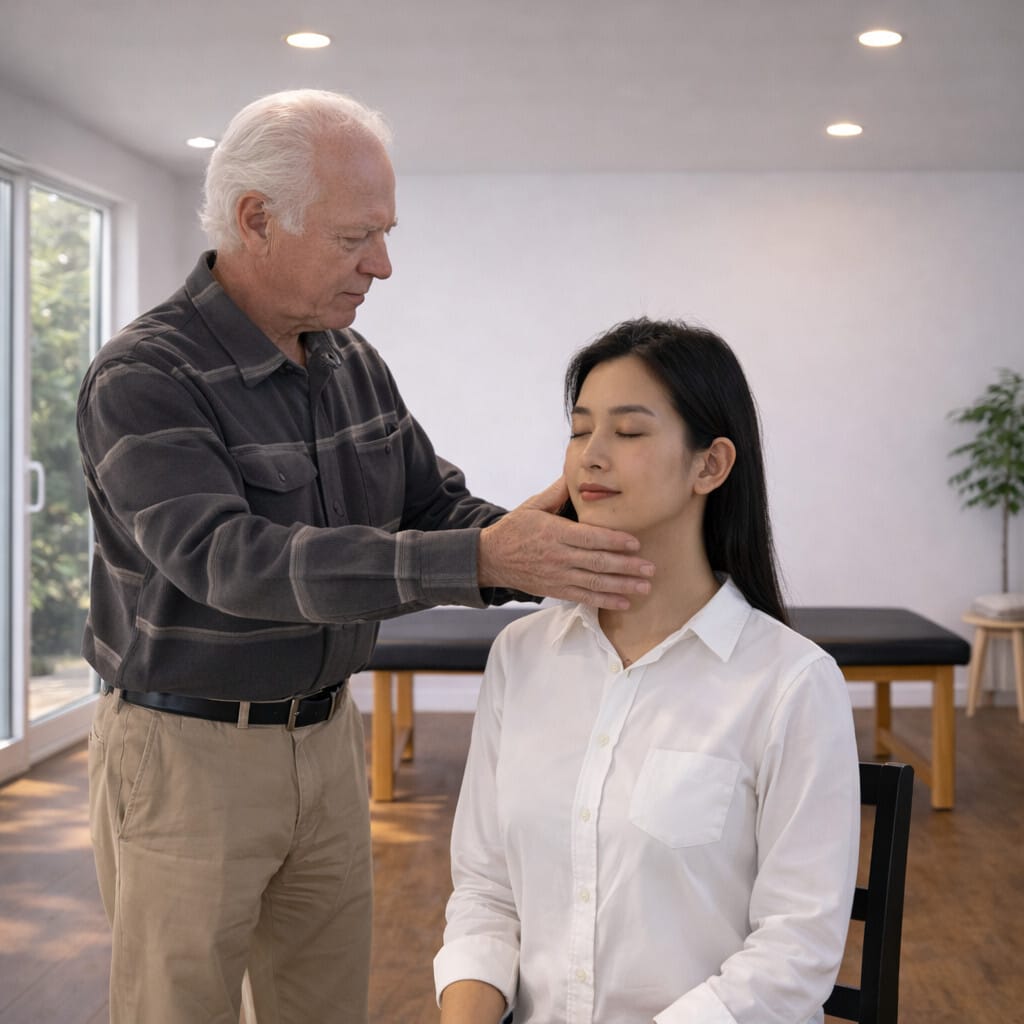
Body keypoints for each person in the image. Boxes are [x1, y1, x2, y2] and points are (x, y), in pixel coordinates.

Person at [76, 89, 655, 1024]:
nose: (382, 266)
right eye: (357, 238)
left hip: (329, 741)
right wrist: (476, 557)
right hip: (185, 759)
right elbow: (231, 562)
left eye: (384, 234)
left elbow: (430, 506)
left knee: (326, 1007)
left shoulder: (349, 360)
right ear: (256, 220)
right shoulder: (145, 376)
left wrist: (546, 541)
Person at [434, 318, 861, 1024]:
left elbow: (796, 953)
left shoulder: (790, 684)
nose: (590, 459)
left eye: (628, 433)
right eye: (579, 431)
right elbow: (486, 894)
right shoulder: (521, 655)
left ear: (710, 466)